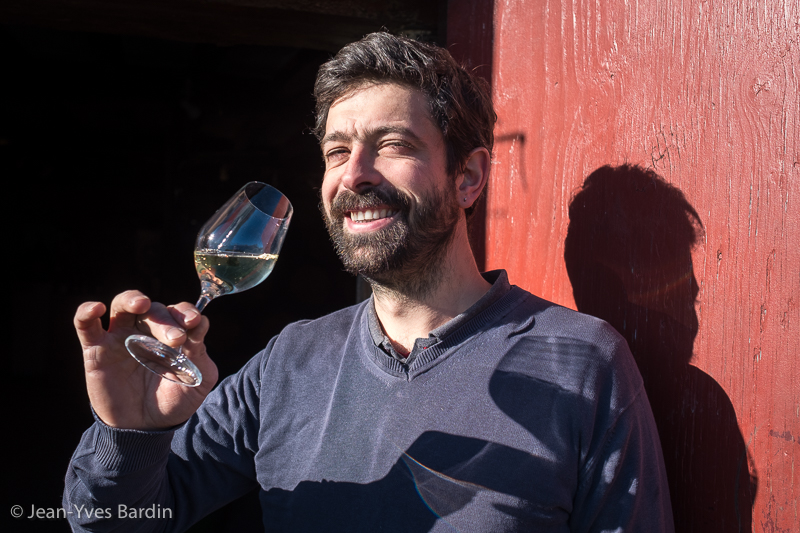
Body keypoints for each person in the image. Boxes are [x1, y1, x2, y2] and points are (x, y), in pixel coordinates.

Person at [65, 32, 674, 532]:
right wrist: (131, 435)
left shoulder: (583, 363)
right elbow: (111, 524)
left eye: (392, 144)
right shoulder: (289, 362)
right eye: (337, 152)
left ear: (468, 177)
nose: (354, 174)